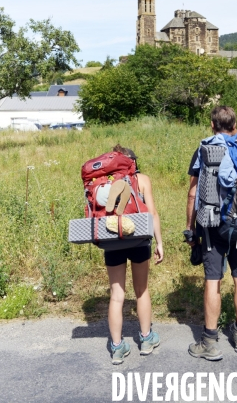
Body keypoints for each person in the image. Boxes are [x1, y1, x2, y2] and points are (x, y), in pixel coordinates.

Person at [185, 106, 237, 361]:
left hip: (212, 225)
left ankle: (210, 341)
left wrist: (190, 228)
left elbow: (193, 193)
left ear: (212, 125)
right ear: (234, 124)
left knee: (213, 279)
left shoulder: (205, 148)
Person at [101, 144, 164, 365]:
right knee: (141, 290)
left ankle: (117, 348)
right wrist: (160, 242)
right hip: (139, 240)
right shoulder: (142, 180)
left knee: (117, 296)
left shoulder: (105, 182)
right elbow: (153, 213)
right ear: (133, 162)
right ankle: (146, 339)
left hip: (112, 240)